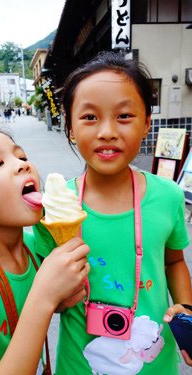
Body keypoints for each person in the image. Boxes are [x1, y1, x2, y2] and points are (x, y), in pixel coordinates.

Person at [33, 51, 192, 374]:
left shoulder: (169, 197)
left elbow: (174, 260)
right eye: (90, 117)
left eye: (124, 116)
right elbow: (42, 288)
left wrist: (187, 310)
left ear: (147, 122)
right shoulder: (54, 205)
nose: (107, 131)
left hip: (154, 362)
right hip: (79, 363)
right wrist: (60, 300)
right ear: (71, 127)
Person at [0, 124, 90, 374]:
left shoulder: (34, 248)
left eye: (21, 156)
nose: (23, 165)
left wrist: (59, 300)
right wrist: (43, 296)